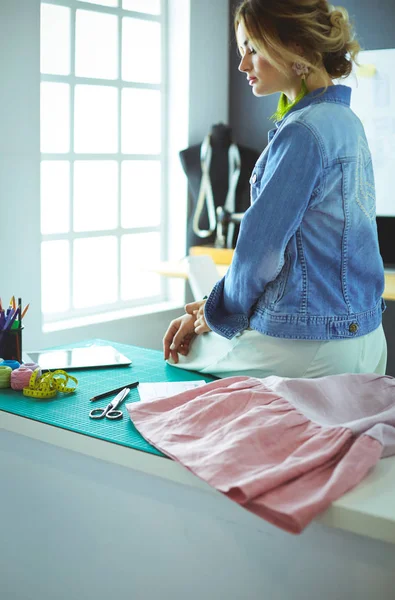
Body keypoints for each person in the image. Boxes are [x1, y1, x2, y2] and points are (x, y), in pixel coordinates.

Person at [163, 0, 387, 379]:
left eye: (252, 48)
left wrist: (212, 313)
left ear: (295, 46)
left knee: (180, 357)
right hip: (368, 339)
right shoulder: (348, 122)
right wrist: (211, 306)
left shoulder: (301, 132)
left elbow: (260, 254)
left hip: (311, 345)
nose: (242, 64)